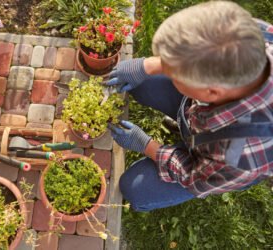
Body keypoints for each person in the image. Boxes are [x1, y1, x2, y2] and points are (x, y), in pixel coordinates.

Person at [107, 1, 273, 212]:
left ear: (211, 92)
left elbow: (194, 178)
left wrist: (146, 145)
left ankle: (187, 145)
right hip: (208, 119)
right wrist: (147, 65)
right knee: (142, 83)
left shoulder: (239, 158)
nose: (167, 70)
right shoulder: (250, 34)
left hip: (206, 165)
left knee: (133, 188)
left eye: (176, 77)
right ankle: (187, 127)